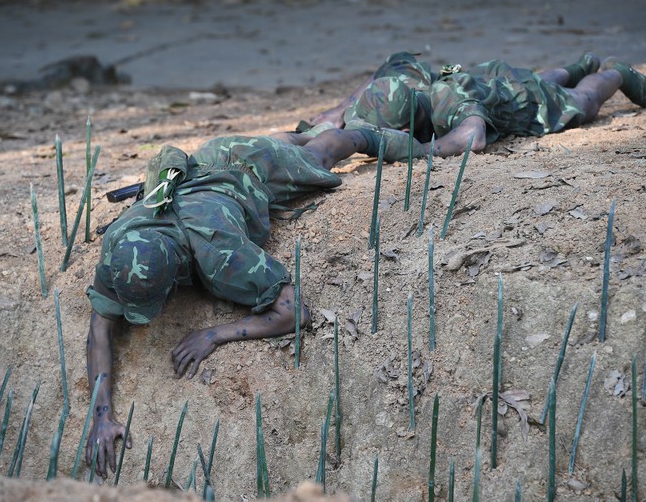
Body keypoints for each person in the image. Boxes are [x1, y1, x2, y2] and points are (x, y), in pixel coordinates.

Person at [83, 126, 421, 478]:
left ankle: (422, 142)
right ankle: (294, 135)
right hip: (207, 160)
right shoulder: (122, 244)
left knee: (323, 152)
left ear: (176, 273)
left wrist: (214, 334)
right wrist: (102, 417)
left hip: (251, 169)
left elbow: (293, 312)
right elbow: (99, 331)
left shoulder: (220, 253)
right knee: (285, 141)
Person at [305, 51, 646, 159]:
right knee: (530, 79)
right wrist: (342, 109)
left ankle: (616, 74)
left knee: (581, 102)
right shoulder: (408, 84)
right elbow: (394, 62)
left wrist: (418, 149)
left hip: (520, 104)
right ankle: (577, 66)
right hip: (491, 81)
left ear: (401, 128)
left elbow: (473, 137)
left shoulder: (447, 104)